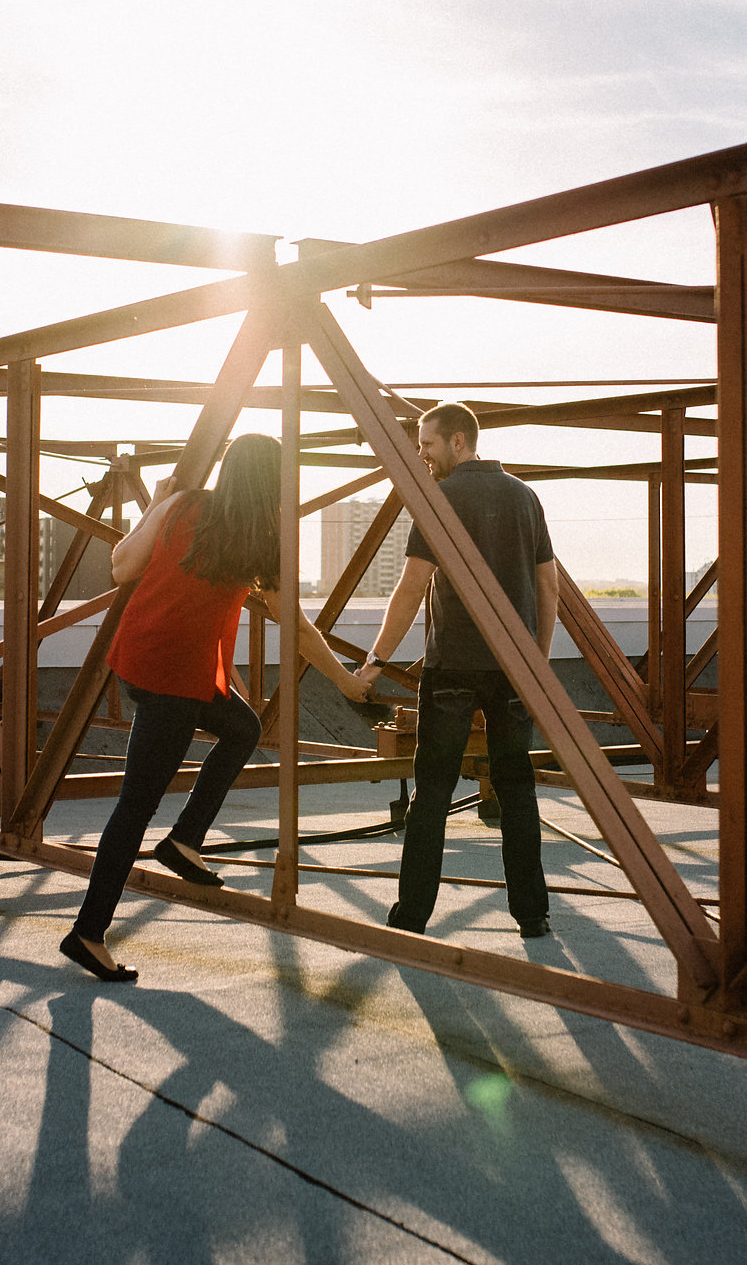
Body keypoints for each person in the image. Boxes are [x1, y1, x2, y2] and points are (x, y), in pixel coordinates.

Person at [62, 433, 375, 983]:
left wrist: (158, 503)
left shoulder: (185, 506)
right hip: (174, 680)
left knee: (242, 726)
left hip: (146, 658)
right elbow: (296, 627)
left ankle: (185, 839)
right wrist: (347, 684)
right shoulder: (265, 537)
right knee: (134, 808)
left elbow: (121, 565)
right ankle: (88, 933)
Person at [355, 402, 558, 939]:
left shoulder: (440, 499)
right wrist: (535, 659)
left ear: (458, 443)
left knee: (434, 791)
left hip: (452, 667)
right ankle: (533, 915)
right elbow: (547, 587)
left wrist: (376, 661)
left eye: (427, 445)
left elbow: (411, 586)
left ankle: (413, 915)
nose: (421, 455)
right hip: (513, 666)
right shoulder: (525, 497)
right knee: (517, 789)